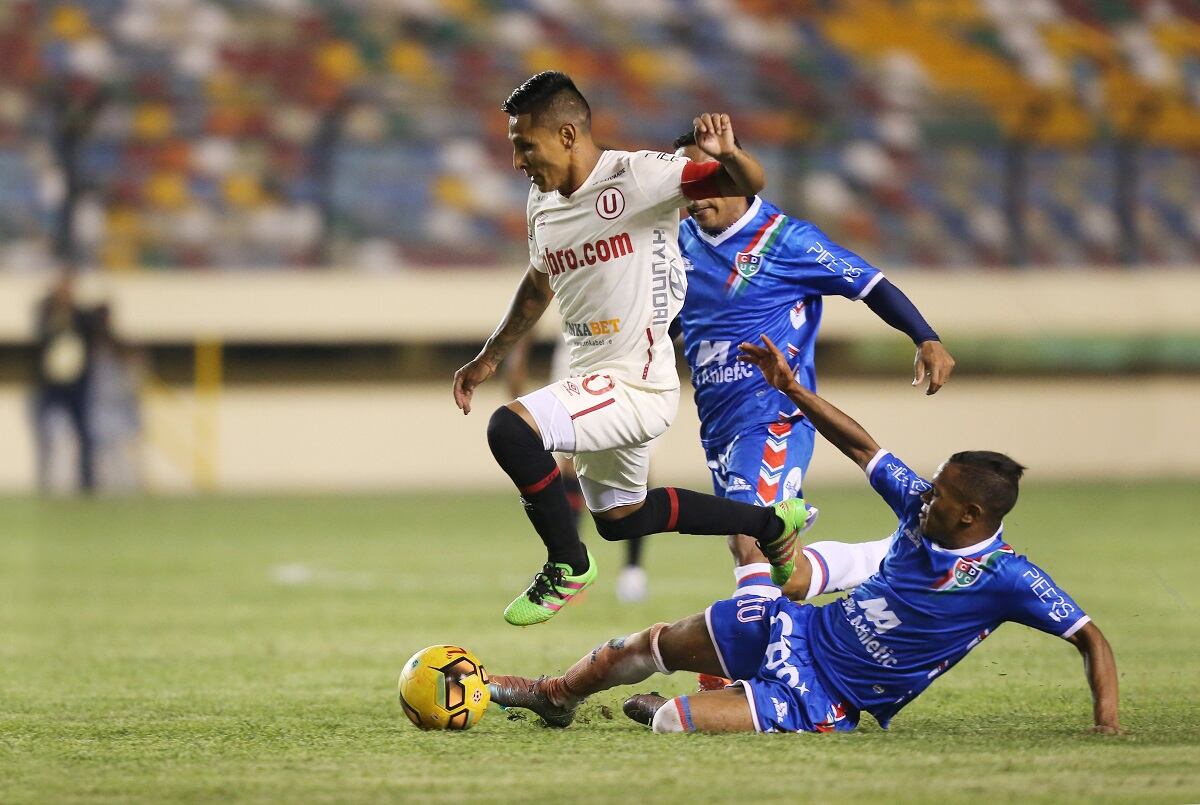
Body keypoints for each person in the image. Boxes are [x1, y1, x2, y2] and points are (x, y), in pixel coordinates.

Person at [487, 335, 1119, 735]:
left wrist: (1106, 723)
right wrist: (792, 388)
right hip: (798, 629)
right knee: (639, 646)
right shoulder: (917, 505)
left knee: (671, 722)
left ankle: (707, 695)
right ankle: (554, 694)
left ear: (970, 517)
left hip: (828, 695)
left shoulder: (1009, 578)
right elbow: (862, 445)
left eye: (940, 494)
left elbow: (1090, 638)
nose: (925, 492)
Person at [452, 71, 814, 626]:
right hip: (591, 378)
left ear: (567, 135)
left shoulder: (640, 176)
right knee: (623, 518)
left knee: (510, 429)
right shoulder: (541, 202)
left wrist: (729, 155)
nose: (518, 161)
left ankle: (567, 564)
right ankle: (772, 525)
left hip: (636, 384)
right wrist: (490, 356)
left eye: (525, 146)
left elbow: (745, 180)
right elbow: (538, 283)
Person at [669, 130, 955, 685]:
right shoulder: (678, 242)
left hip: (775, 416)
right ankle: (895, 559)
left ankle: (747, 674)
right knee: (777, 565)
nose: (695, 196)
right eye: (687, 185)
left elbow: (870, 284)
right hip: (719, 423)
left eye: (706, 181)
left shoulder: (787, 241)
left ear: (736, 176)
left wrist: (925, 336)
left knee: (750, 538)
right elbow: (682, 317)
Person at [32, 271, 100, 494]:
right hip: (51, 384)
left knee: (84, 433)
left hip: (77, 385)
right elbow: (40, 333)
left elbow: (96, 328)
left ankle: (87, 483)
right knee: (45, 433)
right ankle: (44, 481)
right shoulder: (48, 313)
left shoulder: (80, 316)